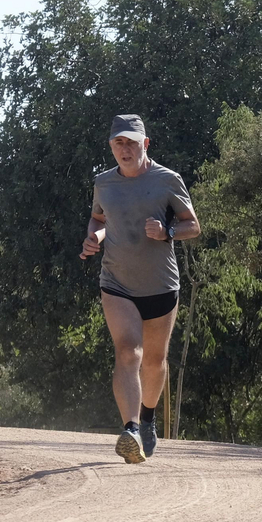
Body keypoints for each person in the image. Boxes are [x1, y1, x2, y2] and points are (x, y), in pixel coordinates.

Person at [80, 114, 200, 463]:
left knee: (155, 360)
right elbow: (100, 219)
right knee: (128, 352)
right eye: (119, 143)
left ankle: (147, 420)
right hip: (117, 282)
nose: (125, 149)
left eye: (131, 142)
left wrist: (167, 232)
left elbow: (193, 225)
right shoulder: (104, 183)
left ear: (145, 144)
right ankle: (130, 429)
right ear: (111, 147)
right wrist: (94, 238)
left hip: (161, 284)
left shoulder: (167, 180)